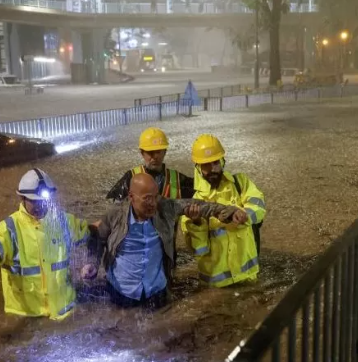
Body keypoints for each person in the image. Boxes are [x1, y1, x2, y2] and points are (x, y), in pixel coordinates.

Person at [83, 173, 240, 309]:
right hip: (121, 292)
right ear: (131, 197)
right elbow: (98, 239)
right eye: (147, 198)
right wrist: (92, 263)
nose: (153, 203)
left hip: (156, 292)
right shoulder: (115, 215)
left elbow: (201, 205)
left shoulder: (165, 207)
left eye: (155, 196)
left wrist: (229, 212)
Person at [0, 169, 91, 320]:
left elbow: (90, 232)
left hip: (65, 312)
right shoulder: (9, 229)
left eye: (43, 200)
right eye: (34, 200)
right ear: (22, 198)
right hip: (27, 317)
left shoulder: (64, 221)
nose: (40, 205)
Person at [182, 134, 266, 287]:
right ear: (198, 168)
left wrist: (244, 214)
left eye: (215, 162)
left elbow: (259, 206)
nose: (212, 169)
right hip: (217, 286)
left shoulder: (241, 183)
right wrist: (196, 222)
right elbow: (198, 251)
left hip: (248, 276)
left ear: (222, 161)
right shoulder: (194, 203)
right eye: (205, 165)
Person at [107, 127, 194, 202]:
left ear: (165, 152)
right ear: (142, 153)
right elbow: (114, 205)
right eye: (150, 152)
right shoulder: (131, 177)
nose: (155, 157)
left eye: (158, 152)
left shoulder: (178, 179)